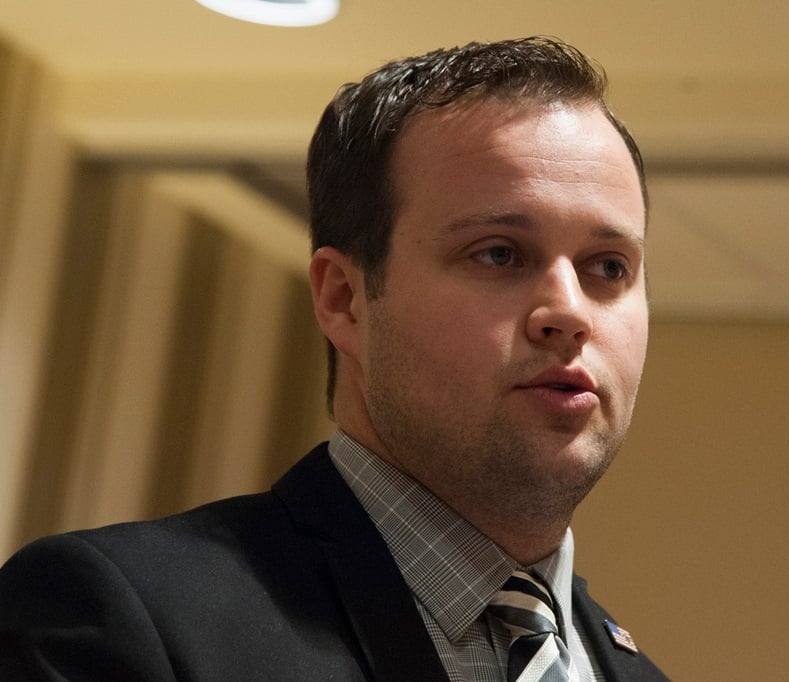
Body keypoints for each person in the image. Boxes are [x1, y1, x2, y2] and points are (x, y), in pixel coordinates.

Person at [0, 37, 667, 681]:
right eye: (498, 254)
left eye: (609, 266)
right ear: (345, 299)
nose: (571, 313)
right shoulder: (119, 616)